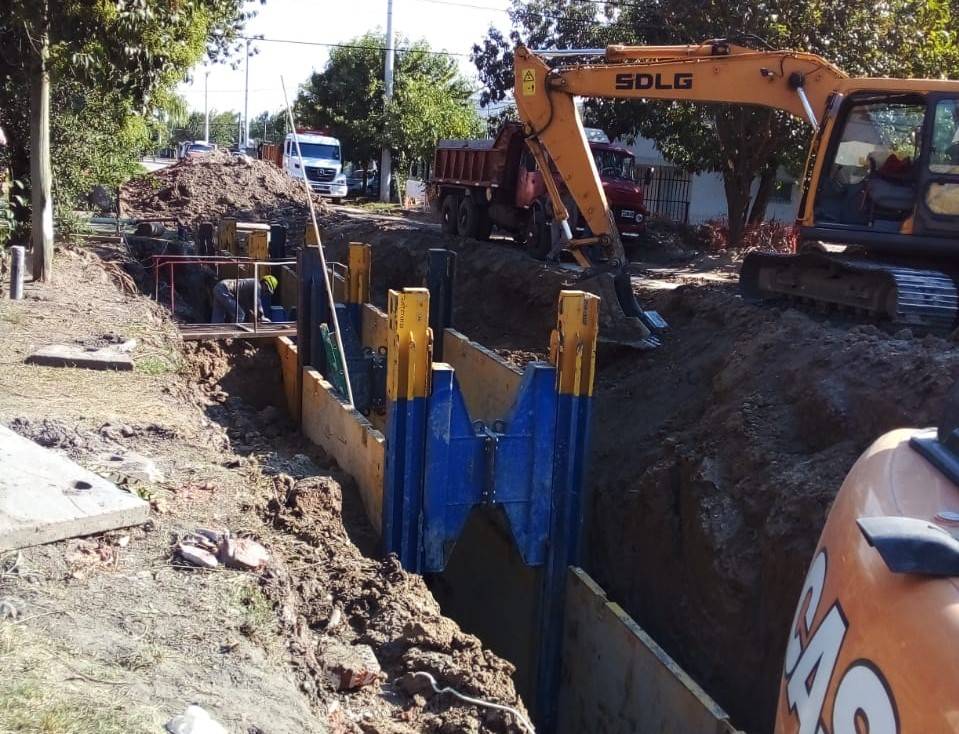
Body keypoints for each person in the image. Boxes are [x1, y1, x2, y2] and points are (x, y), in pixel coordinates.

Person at [211, 275, 277, 323]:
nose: (265, 293)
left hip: (219, 288)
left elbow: (250, 305)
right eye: (267, 291)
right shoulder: (257, 285)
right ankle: (234, 337)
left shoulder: (250, 289)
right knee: (240, 315)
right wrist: (262, 316)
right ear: (265, 284)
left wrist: (256, 315)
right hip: (224, 289)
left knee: (217, 319)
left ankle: (213, 338)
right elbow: (257, 303)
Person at [547, 189, 579, 262]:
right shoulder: (555, 195)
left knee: (566, 238)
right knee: (555, 240)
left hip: (567, 221)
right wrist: (552, 213)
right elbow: (547, 205)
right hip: (556, 220)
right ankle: (555, 258)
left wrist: (574, 224)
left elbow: (574, 211)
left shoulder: (571, 197)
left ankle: (551, 255)